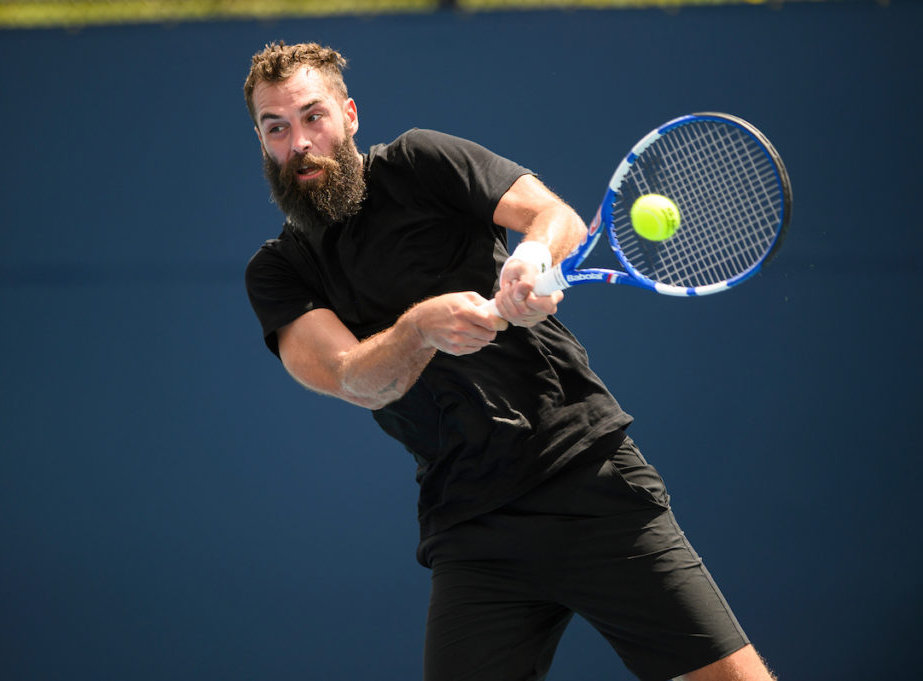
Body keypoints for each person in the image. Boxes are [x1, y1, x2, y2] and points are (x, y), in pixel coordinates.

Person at [243, 41, 776, 681]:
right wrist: (419, 329)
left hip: (585, 473)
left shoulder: (422, 160)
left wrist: (532, 258)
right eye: (277, 128)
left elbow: (555, 218)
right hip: (471, 527)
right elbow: (355, 379)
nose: (300, 142)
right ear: (263, 141)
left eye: (313, 116)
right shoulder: (278, 273)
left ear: (349, 114)